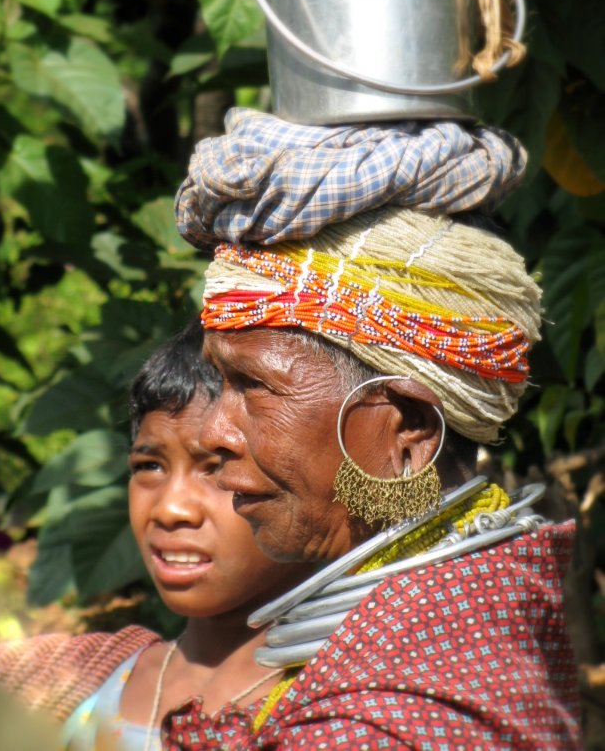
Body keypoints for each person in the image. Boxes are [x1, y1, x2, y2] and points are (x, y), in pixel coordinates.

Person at [162, 107, 583, 750]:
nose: (213, 431)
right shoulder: (473, 607)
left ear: (408, 430)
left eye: (254, 388)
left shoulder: (388, 725)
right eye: (220, 384)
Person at [0, 320, 311, 750]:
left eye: (218, 467)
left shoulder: (341, 711)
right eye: (149, 466)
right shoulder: (70, 678)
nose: (170, 508)